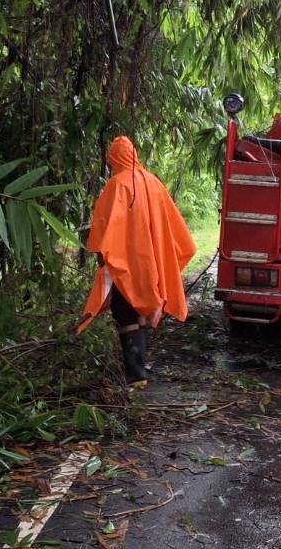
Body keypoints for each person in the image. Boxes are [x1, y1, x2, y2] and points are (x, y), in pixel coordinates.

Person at [76, 136, 197, 387]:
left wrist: (103, 260)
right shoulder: (154, 183)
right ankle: (138, 372)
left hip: (126, 264)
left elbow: (103, 226)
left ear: (114, 158)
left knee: (125, 313)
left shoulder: (117, 184)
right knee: (140, 309)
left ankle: (135, 376)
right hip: (149, 262)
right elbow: (172, 226)